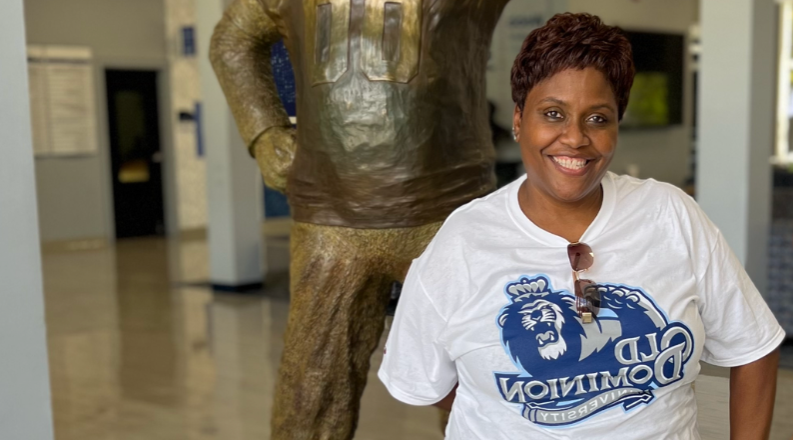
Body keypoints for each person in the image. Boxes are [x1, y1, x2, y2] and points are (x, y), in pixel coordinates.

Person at [378, 12, 784, 439]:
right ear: (519, 120)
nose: (574, 138)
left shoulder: (670, 215)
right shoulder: (462, 242)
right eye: (553, 113)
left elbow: (754, 346)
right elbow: (422, 380)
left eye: (597, 118)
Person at [209, 0, 510, 438]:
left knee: (480, 381)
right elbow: (232, 41)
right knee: (312, 388)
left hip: (451, 214)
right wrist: (264, 130)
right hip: (329, 219)